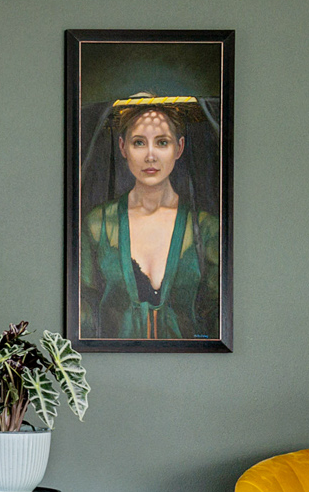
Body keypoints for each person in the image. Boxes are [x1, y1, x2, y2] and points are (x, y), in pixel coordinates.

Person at [78, 94, 221, 340]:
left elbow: (218, 314)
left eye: (162, 142)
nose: (151, 156)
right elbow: (83, 309)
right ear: (123, 147)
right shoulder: (98, 224)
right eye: (139, 143)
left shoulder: (207, 229)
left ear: (179, 148)